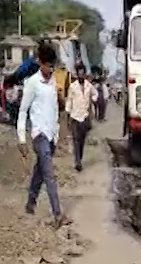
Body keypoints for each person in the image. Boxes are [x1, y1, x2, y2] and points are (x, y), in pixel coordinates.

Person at [17, 43, 71, 227]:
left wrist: (59, 133)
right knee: (49, 174)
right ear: (40, 63)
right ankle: (58, 214)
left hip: (51, 134)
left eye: (52, 66)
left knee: (39, 172)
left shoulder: (54, 82)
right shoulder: (32, 83)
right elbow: (22, 111)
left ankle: (30, 204)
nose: (50, 69)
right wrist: (21, 139)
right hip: (39, 134)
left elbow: (55, 108)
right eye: (48, 66)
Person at [65, 63, 97, 172]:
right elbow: (69, 101)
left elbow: (95, 94)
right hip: (75, 116)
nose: (81, 75)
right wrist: (68, 117)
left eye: (83, 73)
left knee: (82, 141)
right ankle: (77, 162)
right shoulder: (72, 86)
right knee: (76, 140)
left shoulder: (89, 85)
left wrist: (92, 100)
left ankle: (80, 159)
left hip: (85, 116)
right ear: (77, 74)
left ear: (85, 74)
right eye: (79, 73)